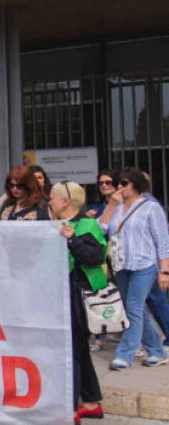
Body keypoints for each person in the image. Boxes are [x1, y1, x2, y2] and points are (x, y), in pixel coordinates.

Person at [98, 167, 169, 370]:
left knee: (133, 309)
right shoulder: (116, 206)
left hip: (144, 265)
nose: (119, 187)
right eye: (117, 183)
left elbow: (163, 241)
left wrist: (164, 270)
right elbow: (101, 227)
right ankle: (157, 350)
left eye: (124, 183)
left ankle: (124, 355)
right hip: (121, 265)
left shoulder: (151, 207)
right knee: (137, 311)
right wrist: (111, 206)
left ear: (136, 185)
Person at [46, 182, 106, 420]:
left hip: (79, 301)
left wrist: (74, 241)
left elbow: (96, 257)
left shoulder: (86, 224)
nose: (47, 201)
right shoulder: (58, 225)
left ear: (64, 201)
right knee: (81, 351)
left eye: (51, 197)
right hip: (66, 299)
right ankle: (91, 404)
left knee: (70, 353)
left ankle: (69, 411)